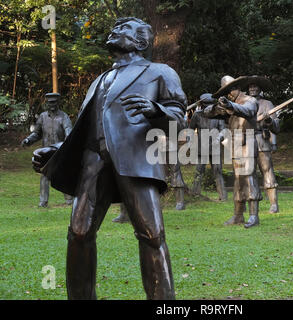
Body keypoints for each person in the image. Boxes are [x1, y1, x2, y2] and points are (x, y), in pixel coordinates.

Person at [32, 17, 187, 299]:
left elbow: (179, 116)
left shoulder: (159, 72)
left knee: (151, 235)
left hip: (136, 160)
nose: (114, 30)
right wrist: (56, 152)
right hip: (93, 163)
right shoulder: (99, 80)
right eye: (115, 27)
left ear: (141, 42)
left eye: (124, 29)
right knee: (78, 234)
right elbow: (84, 128)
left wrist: (155, 110)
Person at [203, 75, 262, 228]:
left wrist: (230, 106)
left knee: (249, 177)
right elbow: (208, 112)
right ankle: (238, 215)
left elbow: (247, 111)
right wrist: (219, 106)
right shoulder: (230, 103)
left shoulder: (250, 100)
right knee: (238, 180)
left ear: (237, 88)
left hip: (248, 141)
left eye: (230, 91)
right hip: (235, 142)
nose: (229, 94)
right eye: (227, 92)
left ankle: (254, 216)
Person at [21, 93, 73, 207]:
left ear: (58, 102)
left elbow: (69, 133)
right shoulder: (43, 117)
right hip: (45, 152)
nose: (52, 105)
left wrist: (67, 146)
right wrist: (28, 140)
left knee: (63, 174)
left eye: (54, 102)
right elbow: (37, 133)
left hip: (59, 151)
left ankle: (70, 200)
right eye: (50, 103)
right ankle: (43, 202)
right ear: (47, 103)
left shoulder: (64, 117)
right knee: (45, 175)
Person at [246, 76, 280, 213]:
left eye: (255, 86)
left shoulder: (267, 103)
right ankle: (251, 202)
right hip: (247, 141)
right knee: (248, 172)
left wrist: (269, 123)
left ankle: (274, 204)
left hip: (262, 140)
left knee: (267, 170)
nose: (253, 89)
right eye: (250, 87)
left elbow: (276, 124)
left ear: (260, 88)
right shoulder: (244, 103)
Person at [189, 93, 227, 201]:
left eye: (210, 105)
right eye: (205, 105)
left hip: (215, 148)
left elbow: (223, 130)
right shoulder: (197, 115)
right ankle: (195, 194)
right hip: (202, 148)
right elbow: (190, 130)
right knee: (199, 171)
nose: (208, 108)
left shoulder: (219, 115)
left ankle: (223, 196)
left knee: (218, 171)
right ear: (202, 105)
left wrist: (219, 138)